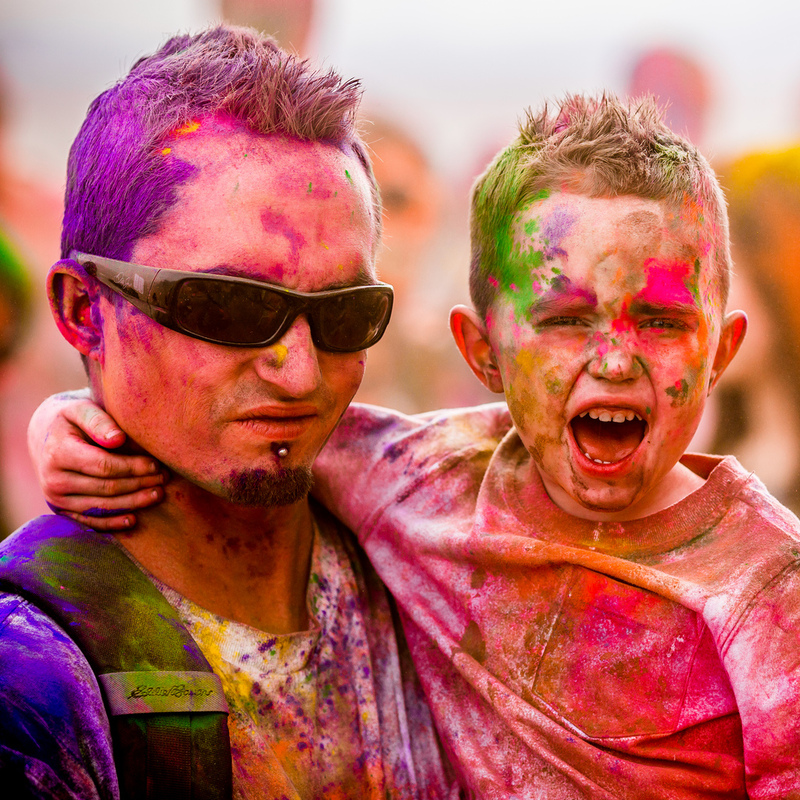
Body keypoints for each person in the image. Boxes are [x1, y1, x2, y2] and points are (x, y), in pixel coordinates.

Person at [30, 94, 800, 797]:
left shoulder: (766, 589)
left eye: (663, 322)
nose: (613, 361)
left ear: (721, 351)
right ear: (482, 352)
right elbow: (243, 428)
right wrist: (76, 419)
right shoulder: (425, 481)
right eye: (565, 320)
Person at [1, 25, 457, 800]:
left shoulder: (433, 556)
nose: (301, 374)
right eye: (229, 305)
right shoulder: (34, 672)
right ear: (84, 310)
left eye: (346, 313)